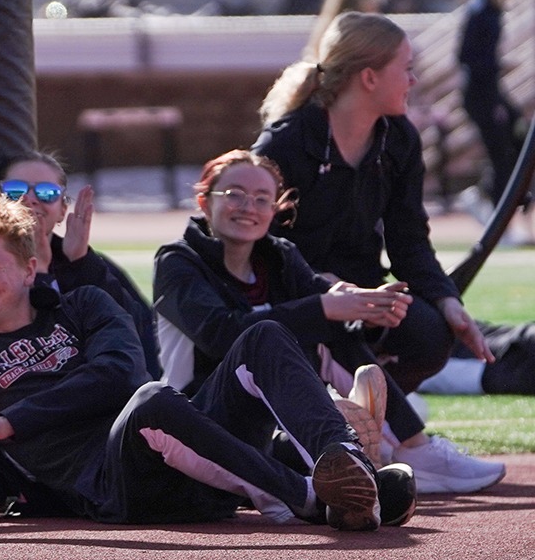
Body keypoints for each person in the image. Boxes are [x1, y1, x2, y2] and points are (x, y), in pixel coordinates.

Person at [0, 193, 411, 531]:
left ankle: (345, 461)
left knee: (261, 336)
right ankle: (308, 497)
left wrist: (12, 421)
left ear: (30, 269)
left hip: (185, 443)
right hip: (121, 490)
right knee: (153, 403)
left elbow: (120, 374)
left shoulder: (83, 305)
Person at [152, 150, 503, 494]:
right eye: (234, 195)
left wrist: (369, 309)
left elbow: (325, 299)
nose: (248, 207)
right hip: (201, 421)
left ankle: (401, 446)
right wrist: (327, 306)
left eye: (262, 199)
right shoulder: (178, 263)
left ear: (275, 210)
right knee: (289, 331)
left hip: (266, 426)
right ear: (204, 202)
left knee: (334, 335)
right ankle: (381, 445)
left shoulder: (278, 256)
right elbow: (221, 333)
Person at [254, 12, 493, 399]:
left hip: (365, 297)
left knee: (430, 331)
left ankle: (376, 418)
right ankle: (325, 421)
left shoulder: (398, 140)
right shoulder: (285, 144)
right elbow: (257, 247)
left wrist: (448, 302)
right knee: (311, 339)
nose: (413, 81)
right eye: (406, 69)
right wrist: (323, 287)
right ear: (369, 78)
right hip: (298, 300)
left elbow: (410, 240)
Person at [0, 153, 162, 378]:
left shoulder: (87, 264)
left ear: (62, 211)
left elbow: (137, 333)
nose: (30, 199)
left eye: (47, 193)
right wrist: (40, 277)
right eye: (15, 190)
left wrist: (80, 264)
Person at [453, 0, 519, 211]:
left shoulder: (494, 10)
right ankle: (494, 210)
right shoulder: (479, 12)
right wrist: (496, 66)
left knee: (517, 138)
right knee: (499, 152)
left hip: (492, 90)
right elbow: (465, 56)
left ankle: (486, 195)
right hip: (480, 93)